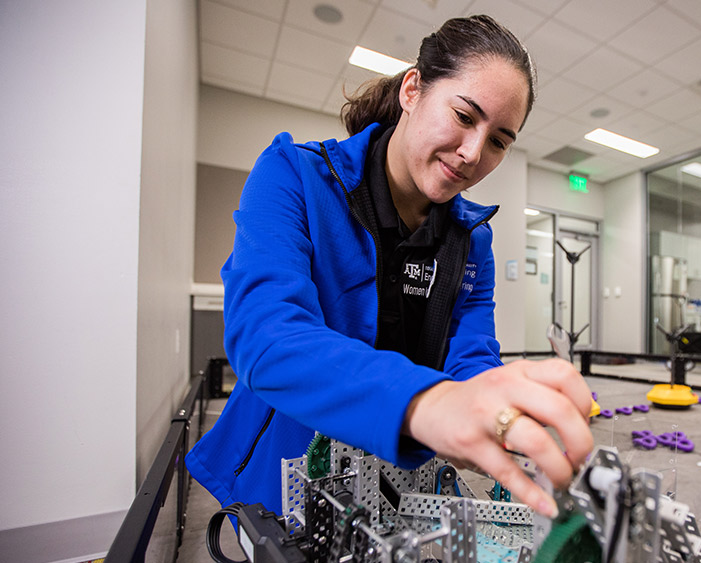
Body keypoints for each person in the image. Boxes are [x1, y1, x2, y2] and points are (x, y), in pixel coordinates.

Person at [186, 15, 593, 520]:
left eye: (498, 141)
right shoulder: (294, 176)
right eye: (466, 116)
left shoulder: (472, 241)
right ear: (413, 89)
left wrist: (500, 412)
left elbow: (469, 358)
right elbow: (267, 338)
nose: (473, 154)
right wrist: (429, 403)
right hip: (289, 467)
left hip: (405, 478)